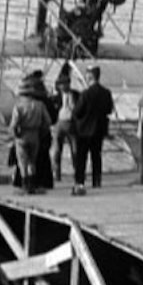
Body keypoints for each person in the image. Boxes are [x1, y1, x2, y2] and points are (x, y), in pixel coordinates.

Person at [71, 65, 114, 195]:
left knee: (81, 158)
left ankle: (80, 181)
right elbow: (109, 109)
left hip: (84, 130)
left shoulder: (85, 94)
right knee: (96, 156)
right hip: (99, 129)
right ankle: (97, 180)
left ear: (90, 77)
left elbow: (77, 112)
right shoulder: (106, 92)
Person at [9, 77, 52, 194]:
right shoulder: (40, 105)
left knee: (22, 162)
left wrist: (14, 135)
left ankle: (24, 185)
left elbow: (14, 124)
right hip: (35, 135)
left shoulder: (19, 106)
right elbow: (47, 122)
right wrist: (41, 132)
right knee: (32, 161)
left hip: (22, 135)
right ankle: (32, 185)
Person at [49, 71, 79, 182]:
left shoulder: (76, 95)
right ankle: (57, 174)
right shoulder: (55, 98)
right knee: (57, 151)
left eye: (65, 83)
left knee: (75, 150)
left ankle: (77, 172)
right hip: (59, 123)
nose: (63, 86)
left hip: (72, 124)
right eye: (61, 84)